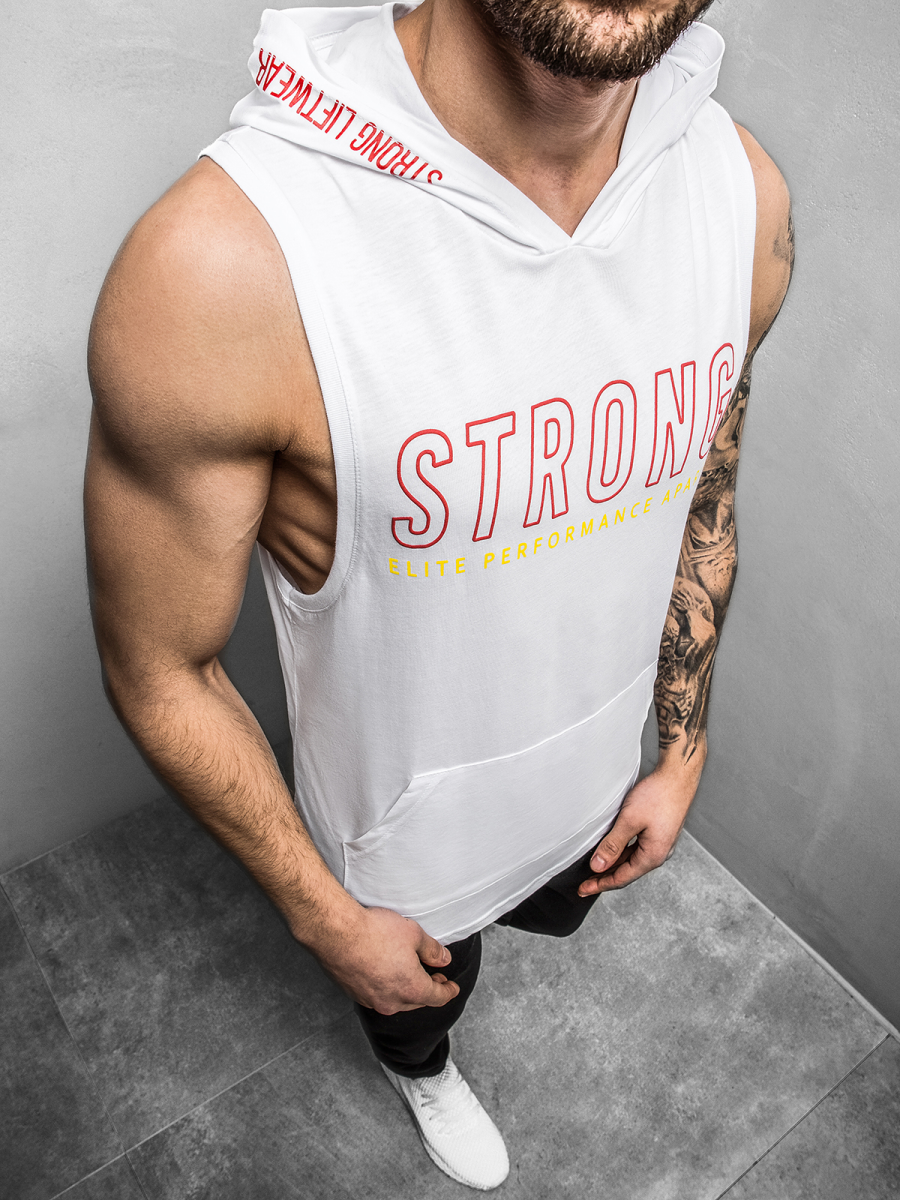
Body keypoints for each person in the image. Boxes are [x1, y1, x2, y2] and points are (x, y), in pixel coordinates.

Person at [85, 0, 792, 1189]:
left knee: (557, 910)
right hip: (398, 853)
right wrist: (324, 918)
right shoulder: (227, 261)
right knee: (421, 1003)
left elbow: (703, 488)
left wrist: (680, 750)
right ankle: (420, 1068)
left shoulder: (739, 190)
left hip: (592, 785)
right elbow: (160, 665)